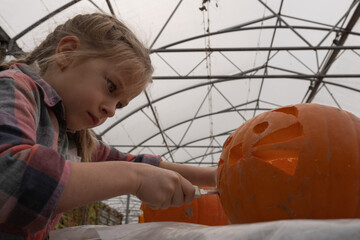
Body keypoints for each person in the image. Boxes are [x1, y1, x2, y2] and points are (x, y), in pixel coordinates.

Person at [0, 13, 217, 239]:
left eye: (120, 105)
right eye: (111, 87)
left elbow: (140, 165)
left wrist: (214, 176)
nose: (112, 111)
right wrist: (135, 177)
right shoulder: (14, 87)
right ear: (67, 53)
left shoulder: (74, 138)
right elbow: (9, 176)